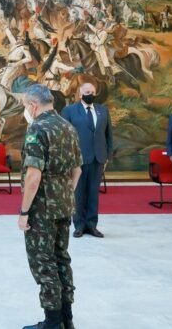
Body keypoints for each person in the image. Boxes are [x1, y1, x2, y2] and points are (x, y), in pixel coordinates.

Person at [19, 84, 82, 329]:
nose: (26, 110)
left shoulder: (37, 128)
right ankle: (67, 319)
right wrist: (64, 193)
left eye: (25, 105)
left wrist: (24, 211)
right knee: (61, 260)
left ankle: (52, 322)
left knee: (44, 264)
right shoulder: (68, 126)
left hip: (42, 209)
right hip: (64, 205)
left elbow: (33, 176)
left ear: (33, 105)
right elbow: (78, 169)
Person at [61, 83, 113, 238]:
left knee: (93, 193)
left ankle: (92, 225)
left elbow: (108, 135)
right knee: (78, 193)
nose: (90, 94)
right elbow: (64, 136)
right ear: (80, 94)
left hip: (98, 158)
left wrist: (107, 156)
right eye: (87, 92)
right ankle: (79, 225)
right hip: (77, 159)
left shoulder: (102, 110)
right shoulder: (69, 110)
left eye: (92, 92)